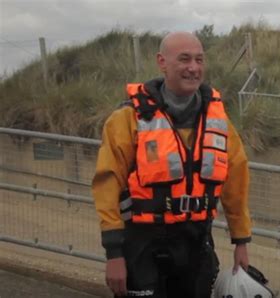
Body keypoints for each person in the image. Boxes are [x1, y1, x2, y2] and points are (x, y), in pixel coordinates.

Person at [92, 31, 252, 297]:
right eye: (184, 59)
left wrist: (241, 241)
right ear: (162, 62)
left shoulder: (219, 121)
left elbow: (236, 181)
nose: (193, 68)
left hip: (196, 244)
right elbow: (107, 185)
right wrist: (114, 254)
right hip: (142, 246)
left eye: (199, 60)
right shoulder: (127, 119)